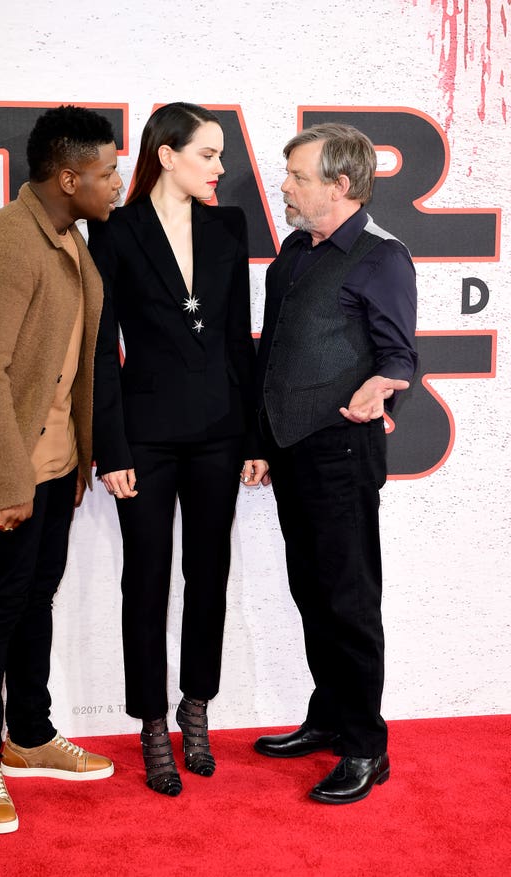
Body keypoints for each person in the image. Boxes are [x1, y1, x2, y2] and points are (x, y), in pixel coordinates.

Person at [0, 105, 123, 833]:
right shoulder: (8, 244)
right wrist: (11, 483)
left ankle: (30, 734)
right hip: (2, 467)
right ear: (68, 177)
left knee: (35, 598)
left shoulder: (68, 236)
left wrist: (71, 461)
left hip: (54, 464)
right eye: (106, 173)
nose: (116, 184)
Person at [88, 102, 267, 797]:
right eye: (208, 154)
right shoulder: (119, 230)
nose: (222, 167)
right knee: (147, 579)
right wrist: (112, 449)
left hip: (221, 432)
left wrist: (254, 437)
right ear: (166, 154)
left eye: (221, 155)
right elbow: (104, 349)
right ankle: (152, 721)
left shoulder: (229, 225)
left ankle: (197, 705)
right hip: (146, 437)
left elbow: (237, 340)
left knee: (210, 572)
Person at [253, 123, 417, 804]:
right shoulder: (291, 254)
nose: (284, 186)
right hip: (290, 451)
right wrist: (259, 441)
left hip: (343, 452)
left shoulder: (383, 257)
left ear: (339, 185)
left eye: (296, 175)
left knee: (350, 601)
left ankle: (364, 745)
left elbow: (399, 352)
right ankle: (328, 716)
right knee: (311, 592)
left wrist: (384, 383)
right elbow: (272, 356)